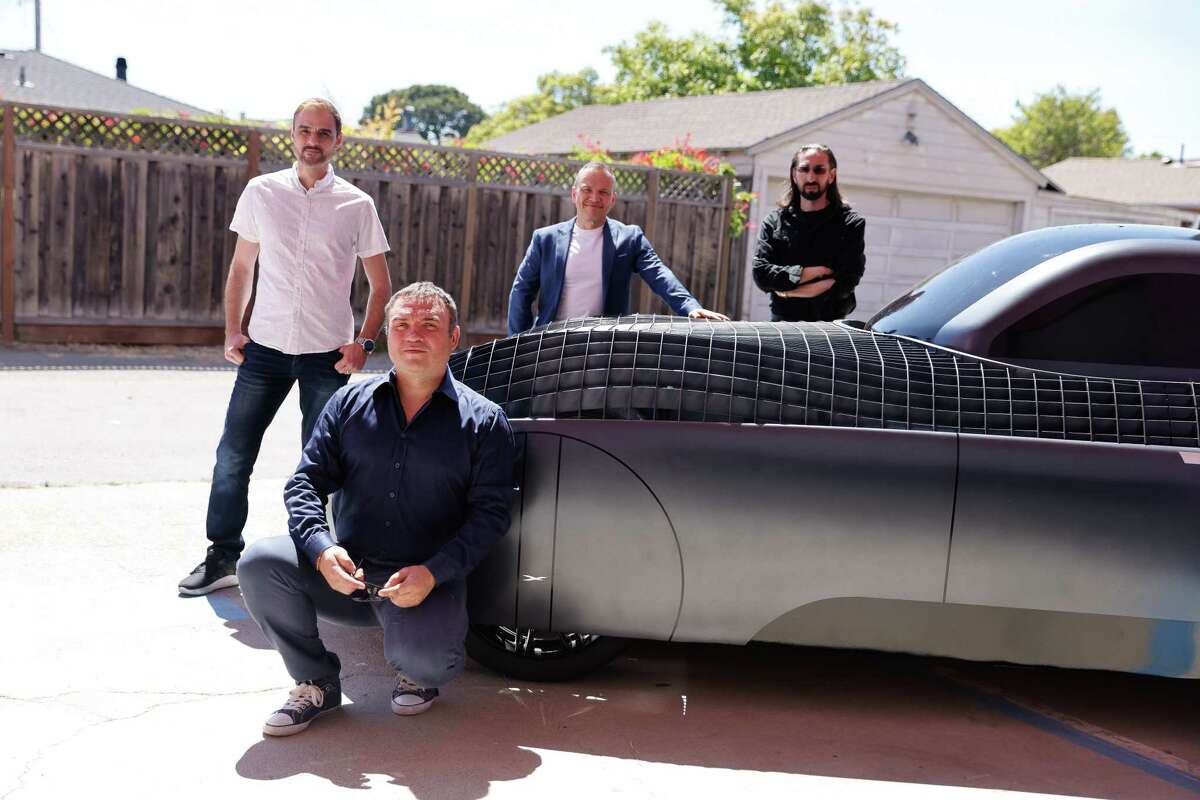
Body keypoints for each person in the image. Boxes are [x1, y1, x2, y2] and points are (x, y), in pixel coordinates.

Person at [237, 282, 517, 736]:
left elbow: (490, 516)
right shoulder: (349, 402)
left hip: (424, 582)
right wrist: (322, 549)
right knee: (260, 561)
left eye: (429, 326)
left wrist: (433, 572)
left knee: (429, 664)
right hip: (349, 575)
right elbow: (305, 482)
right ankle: (315, 682)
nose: (413, 335)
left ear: (453, 338)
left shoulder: (484, 421)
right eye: (401, 324)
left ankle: (417, 671)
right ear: (387, 333)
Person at [178, 98, 392, 596]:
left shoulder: (357, 205)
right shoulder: (261, 192)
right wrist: (234, 329)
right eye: (304, 131)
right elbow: (241, 268)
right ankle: (222, 555)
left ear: (338, 140)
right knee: (233, 454)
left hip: (327, 354)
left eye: (323, 133)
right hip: (266, 349)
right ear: (292, 136)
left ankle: (321, 563)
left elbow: (380, 284)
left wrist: (363, 342)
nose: (312, 140)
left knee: (322, 465)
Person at [507, 161, 729, 335]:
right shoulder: (545, 239)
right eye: (587, 190)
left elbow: (659, 274)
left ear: (612, 199)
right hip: (552, 346)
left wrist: (689, 306)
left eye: (603, 192)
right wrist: (518, 344)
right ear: (574, 194)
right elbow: (521, 292)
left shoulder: (629, 238)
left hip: (605, 347)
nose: (595, 198)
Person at [752, 144, 866, 322]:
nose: (811, 177)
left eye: (819, 170)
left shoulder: (850, 224)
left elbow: (845, 283)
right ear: (794, 175)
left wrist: (786, 292)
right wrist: (814, 273)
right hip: (782, 328)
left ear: (831, 175)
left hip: (829, 330)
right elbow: (761, 273)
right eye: (804, 169)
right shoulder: (774, 222)